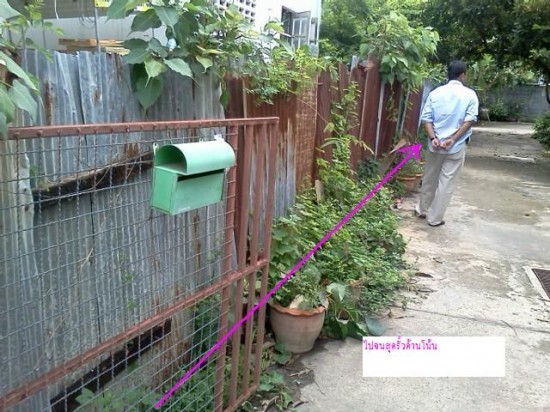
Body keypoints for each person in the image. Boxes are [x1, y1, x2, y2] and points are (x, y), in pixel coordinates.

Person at [415, 60, 479, 227]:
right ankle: (435, 218)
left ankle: (422, 209)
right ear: (462, 75)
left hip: (435, 145)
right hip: (455, 146)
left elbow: (426, 118)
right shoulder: (470, 95)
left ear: (448, 74)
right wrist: (453, 139)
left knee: (429, 177)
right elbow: (470, 120)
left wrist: (433, 138)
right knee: (447, 182)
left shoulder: (435, 93)